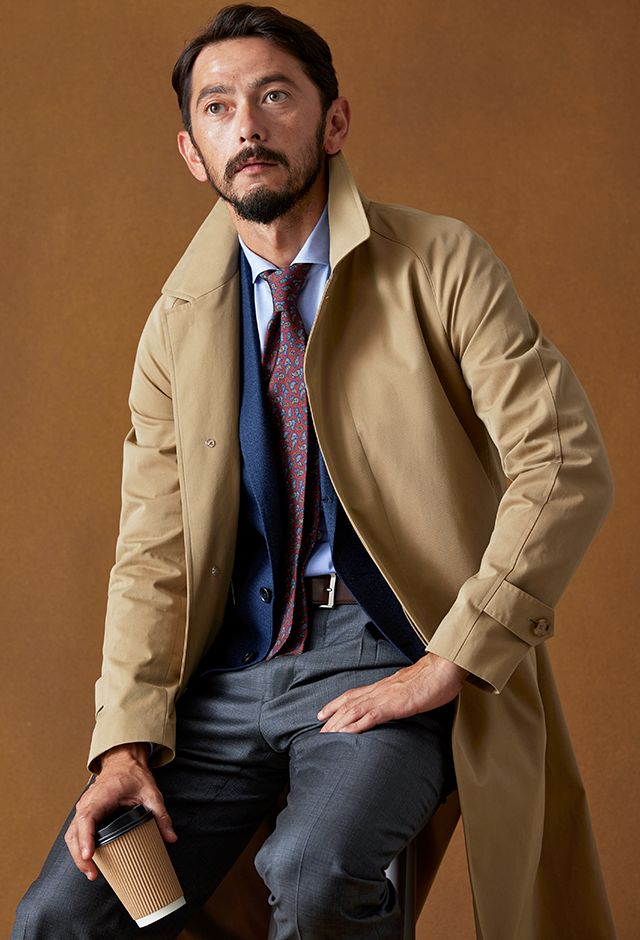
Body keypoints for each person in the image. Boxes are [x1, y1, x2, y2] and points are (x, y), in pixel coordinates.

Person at [12, 4, 617, 939]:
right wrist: (122, 743)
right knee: (61, 916)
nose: (247, 126)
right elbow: (153, 554)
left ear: (334, 122)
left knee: (316, 873)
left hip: (383, 654)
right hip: (226, 677)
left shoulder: (440, 263)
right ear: (193, 153)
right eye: (218, 108)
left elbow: (563, 462)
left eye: (275, 97)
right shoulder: (174, 326)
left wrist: (449, 659)